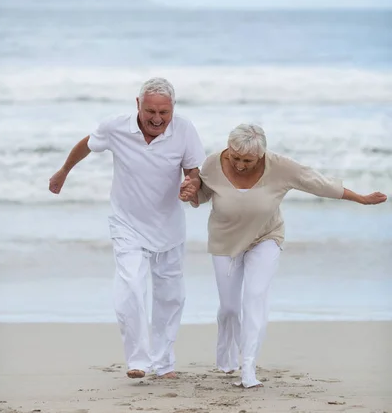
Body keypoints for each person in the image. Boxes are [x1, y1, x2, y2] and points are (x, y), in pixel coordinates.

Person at [180, 124, 387, 389]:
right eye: (235, 157)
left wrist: (361, 198)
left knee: (255, 297)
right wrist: (190, 195)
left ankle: (249, 367)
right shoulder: (213, 163)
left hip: (266, 237)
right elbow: (202, 195)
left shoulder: (280, 167)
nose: (240, 164)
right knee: (230, 308)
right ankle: (228, 356)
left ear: (261, 156)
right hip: (226, 241)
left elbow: (318, 184)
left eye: (247, 160)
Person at [49, 77, 206, 380]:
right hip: (127, 223)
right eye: (151, 112)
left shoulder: (185, 130)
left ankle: (164, 364)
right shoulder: (115, 127)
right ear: (138, 105)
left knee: (171, 297)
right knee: (132, 284)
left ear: (172, 110)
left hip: (169, 226)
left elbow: (193, 173)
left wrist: (192, 187)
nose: (157, 119)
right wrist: (64, 171)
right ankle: (139, 360)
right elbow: (87, 144)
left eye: (164, 113)